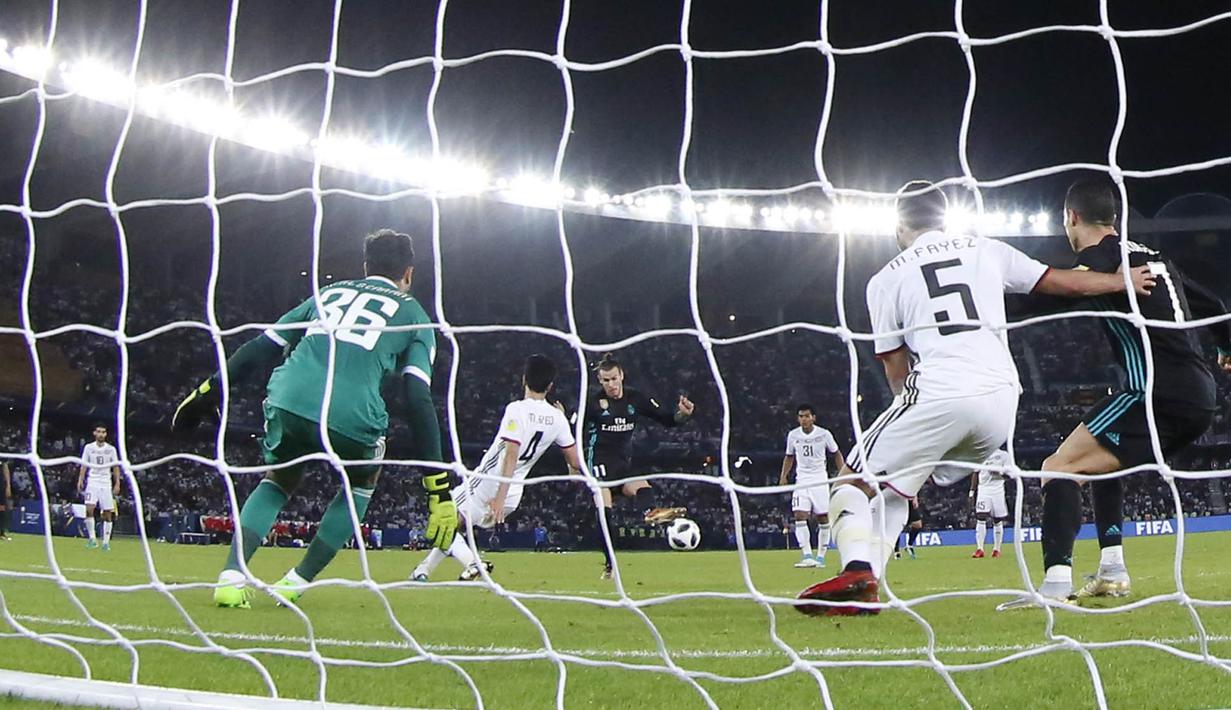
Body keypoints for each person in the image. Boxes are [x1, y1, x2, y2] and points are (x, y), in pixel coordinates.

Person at [796, 179, 1155, 617]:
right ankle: (870, 585)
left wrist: (913, 426)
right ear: (946, 219)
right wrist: (1121, 280)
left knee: (851, 481)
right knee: (894, 490)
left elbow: (895, 369)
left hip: (940, 392)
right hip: (1002, 402)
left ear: (898, 224)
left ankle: (855, 568)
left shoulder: (885, 279)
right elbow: (1061, 283)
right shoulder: (986, 247)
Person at [172, 229, 456, 608]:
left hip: (290, 397)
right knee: (363, 479)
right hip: (351, 413)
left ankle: (230, 576)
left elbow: (259, 348)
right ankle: (295, 582)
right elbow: (417, 399)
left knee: (280, 479)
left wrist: (207, 393)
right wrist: (437, 488)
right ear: (409, 274)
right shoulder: (415, 316)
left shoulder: (328, 293)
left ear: (366, 266)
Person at [999, 179, 1231, 610]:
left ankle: (1054, 583)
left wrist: (979, 305)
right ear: (1114, 219)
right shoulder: (1156, 258)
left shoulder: (1097, 262)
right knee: (1103, 467)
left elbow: (1037, 301)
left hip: (1154, 391)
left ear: (1071, 218)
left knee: (1058, 467)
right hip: (1200, 393)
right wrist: (1226, 347)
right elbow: (1215, 304)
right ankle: (1112, 571)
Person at [410, 354, 581, 581]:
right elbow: (575, 462)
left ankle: (473, 562)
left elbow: (511, 455)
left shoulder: (516, 409)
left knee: (444, 517)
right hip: (516, 491)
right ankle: (422, 570)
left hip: (491, 482)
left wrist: (499, 497)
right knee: (454, 526)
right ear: (550, 386)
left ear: (524, 379)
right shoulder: (557, 418)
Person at [582, 354, 695, 579]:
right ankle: (610, 564)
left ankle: (651, 513)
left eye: (614, 379)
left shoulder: (635, 398)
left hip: (623, 464)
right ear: (600, 381)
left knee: (644, 488)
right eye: (605, 381)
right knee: (604, 515)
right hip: (599, 464)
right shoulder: (593, 403)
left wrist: (683, 415)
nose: (611, 385)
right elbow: (570, 432)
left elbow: (667, 419)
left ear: (621, 375)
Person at [778, 404, 845, 568]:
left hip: (820, 480)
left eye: (807, 416)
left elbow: (836, 453)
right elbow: (789, 456)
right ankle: (807, 555)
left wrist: (843, 474)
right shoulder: (793, 435)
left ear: (813, 418)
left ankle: (821, 557)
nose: (804, 419)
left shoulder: (824, 434)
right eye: (801, 416)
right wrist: (783, 476)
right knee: (800, 515)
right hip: (801, 481)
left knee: (823, 518)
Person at [77, 425, 121, 551]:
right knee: (89, 509)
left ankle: (106, 542)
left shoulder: (111, 449)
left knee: (107, 514)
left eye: (103, 432)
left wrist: (117, 483)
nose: (101, 434)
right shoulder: (89, 448)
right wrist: (80, 479)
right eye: (99, 432)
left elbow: (116, 467)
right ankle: (92, 539)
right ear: (94, 433)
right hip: (92, 482)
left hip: (105, 483)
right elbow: (84, 465)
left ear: (106, 434)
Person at [970, 449, 1011, 559]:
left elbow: (1010, 475)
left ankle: (996, 549)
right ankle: (980, 549)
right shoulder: (981, 453)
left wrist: (999, 473)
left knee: (997, 519)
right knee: (980, 516)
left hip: (997, 490)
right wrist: (971, 492)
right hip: (984, 490)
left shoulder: (1004, 456)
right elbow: (975, 473)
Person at [1, 460, 11, 541]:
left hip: (0, 485)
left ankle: (1, 533)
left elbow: (5, 468)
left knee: (2, 509)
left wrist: (8, 485)